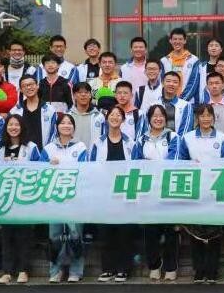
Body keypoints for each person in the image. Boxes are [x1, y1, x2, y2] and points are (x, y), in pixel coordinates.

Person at [178, 104, 224, 283]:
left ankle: (212, 271)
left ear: (213, 118)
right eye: (202, 115)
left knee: (214, 232)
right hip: (195, 189)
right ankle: (199, 270)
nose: (206, 119)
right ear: (197, 118)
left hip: (215, 189)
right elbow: (181, 162)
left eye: (209, 115)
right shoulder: (188, 138)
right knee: (195, 232)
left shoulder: (222, 138)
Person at [0, 115, 40, 284]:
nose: (13, 128)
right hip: (5, 197)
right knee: (6, 235)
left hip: (25, 196)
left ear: (22, 127)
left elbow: (39, 169)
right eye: (10, 124)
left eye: (17, 125)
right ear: (6, 127)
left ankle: (24, 270)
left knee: (24, 235)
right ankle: (7, 271)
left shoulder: (31, 147)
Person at [131, 105, 180, 282]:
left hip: (168, 188)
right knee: (150, 230)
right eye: (154, 116)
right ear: (149, 119)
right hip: (148, 190)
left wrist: (151, 163)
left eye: (161, 116)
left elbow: (174, 160)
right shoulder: (141, 139)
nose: (158, 119)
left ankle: (171, 267)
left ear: (166, 118)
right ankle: (154, 265)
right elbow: (136, 162)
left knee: (170, 230)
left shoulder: (173, 137)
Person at [39, 113, 88, 283]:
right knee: (55, 235)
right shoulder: (48, 149)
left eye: (69, 123)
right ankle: (56, 270)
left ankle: (76, 270)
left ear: (74, 128)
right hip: (54, 197)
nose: (66, 126)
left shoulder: (80, 147)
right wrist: (48, 166)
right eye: (63, 123)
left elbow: (85, 170)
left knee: (75, 234)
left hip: (75, 197)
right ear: (57, 127)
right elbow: (40, 171)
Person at [90, 106, 136, 283]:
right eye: (112, 114)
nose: (115, 117)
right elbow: (91, 166)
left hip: (125, 191)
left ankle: (124, 269)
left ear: (123, 120)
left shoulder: (131, 143)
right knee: (106, 232)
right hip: (104, 192)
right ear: (107, 118)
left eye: (118, 115)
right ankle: (108, 269)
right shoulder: (98, 143)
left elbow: (137, 166)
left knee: (125, 232)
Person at [10, 74, 58, 150]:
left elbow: (54, 133)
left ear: (37, 86)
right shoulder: (15, 111)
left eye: (31, 84)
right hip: (22, 153)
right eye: (24, 86)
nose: (28, 87)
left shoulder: (50, 110)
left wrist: (47, 152)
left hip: (44, 153)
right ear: (21, 90)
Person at [138, 71, 194, 136]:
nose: (171, 84)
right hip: (155, 141)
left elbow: (185, 131)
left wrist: (176, 141)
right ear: (162, 83)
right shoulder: (152, 105)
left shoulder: (186, 105)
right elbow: (146, 128)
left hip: (176, 141)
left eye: (175, 82)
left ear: (179, 85)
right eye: (168, 81)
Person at [182, 37, 224, 104]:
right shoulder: (200, 67)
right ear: (207, 49)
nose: (213, 48)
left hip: (222, 103)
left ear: (221, 49)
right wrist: (182, 101)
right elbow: (193, 85)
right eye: (211, 46)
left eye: (216, 46)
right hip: (203, 104)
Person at [160, 27, 199, 96]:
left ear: (185, 41)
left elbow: (193, 83)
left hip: (187, 100)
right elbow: (162, 82)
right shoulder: (164, 61)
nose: (177, 42)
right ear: (170, 41)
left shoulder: (194, 60)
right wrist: (167, 99)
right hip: (169, 100)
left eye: (180, 39)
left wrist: (182, 99)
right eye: (175, 39)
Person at [68, 82, 106, 149]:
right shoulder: (68, 116)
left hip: (92, 154)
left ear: (90, 95)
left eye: (86, 92)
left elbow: (104, 138)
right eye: (80, 92)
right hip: (72, 153)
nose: (83, 95)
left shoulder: (99, 117)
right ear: (74, 96)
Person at [202, 72, 224, 138]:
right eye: (211, 84)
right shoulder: (202, 108)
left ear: (222, 85)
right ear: (207, 87)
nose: (214, 86)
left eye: (217, 83)